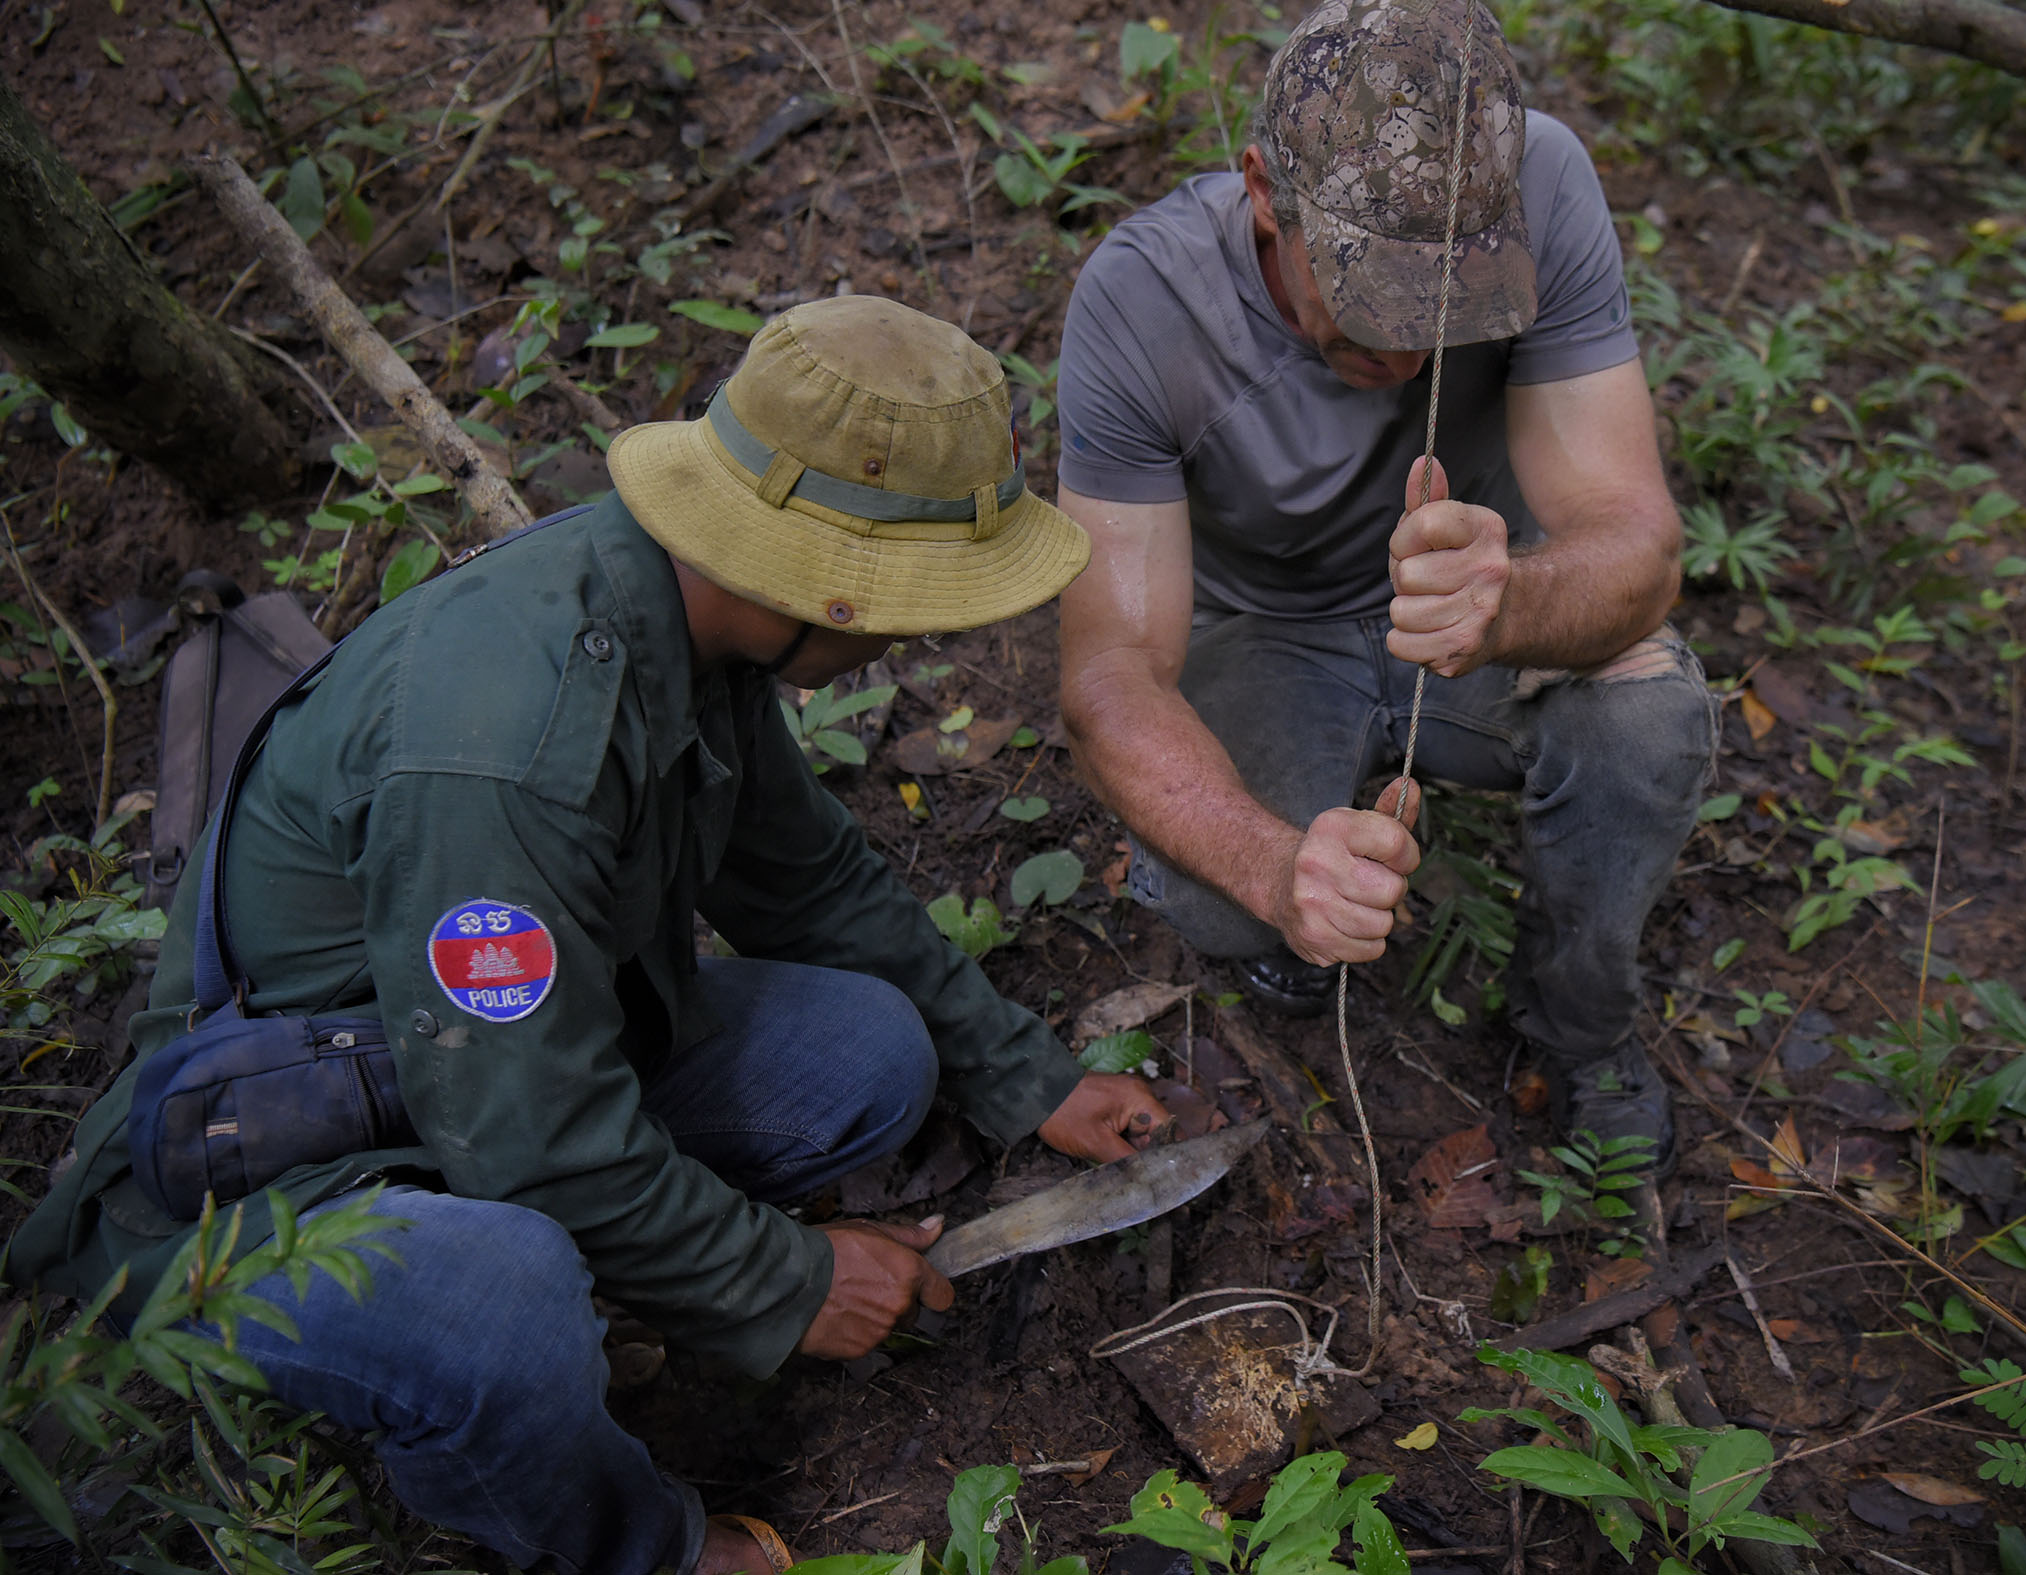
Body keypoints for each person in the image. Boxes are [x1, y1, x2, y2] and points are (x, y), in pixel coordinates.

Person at [9, 297, 1169, 1575]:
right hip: (263, 1180)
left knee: (866, 1053)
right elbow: (534, 1135)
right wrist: (780, 1280)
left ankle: (600, 1280)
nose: (921, 634)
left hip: (457, 1076)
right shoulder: (508, 749)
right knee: (497, 1307)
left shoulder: (693, 623)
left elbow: (810, 887)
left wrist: (1029, 1078)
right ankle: (630, 1546)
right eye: (918, 600)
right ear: (824, 580)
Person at [1053, 0, 1717, 1164]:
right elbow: (1111, 675)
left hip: (1476, 608)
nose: (1409, 356)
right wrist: (1271, 866)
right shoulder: (1141, 303)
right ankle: (1305, 864)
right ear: (1264, 190)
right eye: (1369, 301)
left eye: (1452, 307)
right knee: (1216, 899)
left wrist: (1508, 601)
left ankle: (1576, 1024)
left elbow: (1636, 548)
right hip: (1269, 626)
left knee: (1649, 714)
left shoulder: (1541, 180)